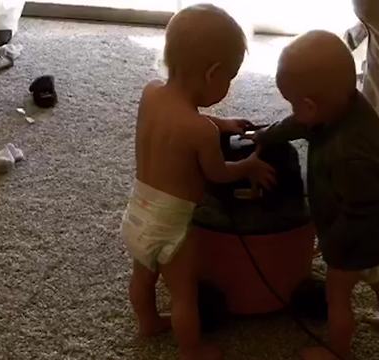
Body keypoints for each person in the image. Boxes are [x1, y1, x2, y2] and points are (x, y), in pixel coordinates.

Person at [119, 4, 275, 360]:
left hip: (137, 212)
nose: (229, 85)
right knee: (183, 293)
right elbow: (217, 173)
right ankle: (191, 350)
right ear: (212, 74)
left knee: (143, 277)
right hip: (171, 223)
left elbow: (182, 121)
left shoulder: (151, 93)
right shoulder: (200, 132)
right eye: (230, 78)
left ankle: (146, 323)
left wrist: (221, 122)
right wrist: (249, 166)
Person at [248, 30, 379, 360]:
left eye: (294, 103)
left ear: (309, 104)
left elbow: (359, 212)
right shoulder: (348, 103)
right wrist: (269, 134)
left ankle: (338, 352)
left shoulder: (350, 156)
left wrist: (331, 243)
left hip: (355, 245)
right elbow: (303, 123)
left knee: (337, 297)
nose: (293, 110)